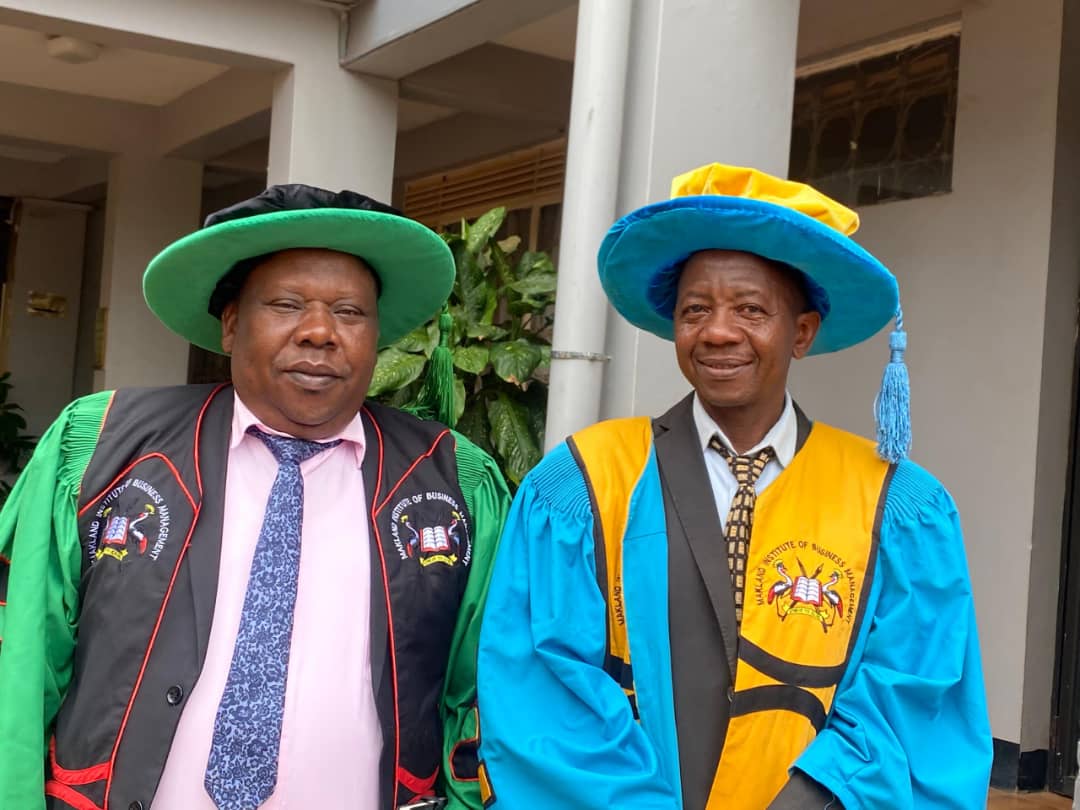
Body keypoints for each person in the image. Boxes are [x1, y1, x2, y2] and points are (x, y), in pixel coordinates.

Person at [476, 164, 991, 809]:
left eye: (751, 309)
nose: (718, 331)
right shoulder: (585, 480)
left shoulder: (894, 503)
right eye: (696, 309)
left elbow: (914, 697)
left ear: (801, 332)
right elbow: (541, 692)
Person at [0, 185, 509, 810]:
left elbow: (482, 693)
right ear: (232, 324)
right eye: (287, 304)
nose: (320, 332)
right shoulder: (104, 446)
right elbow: (21, 663)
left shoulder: (451, 481)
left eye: (350, 312)